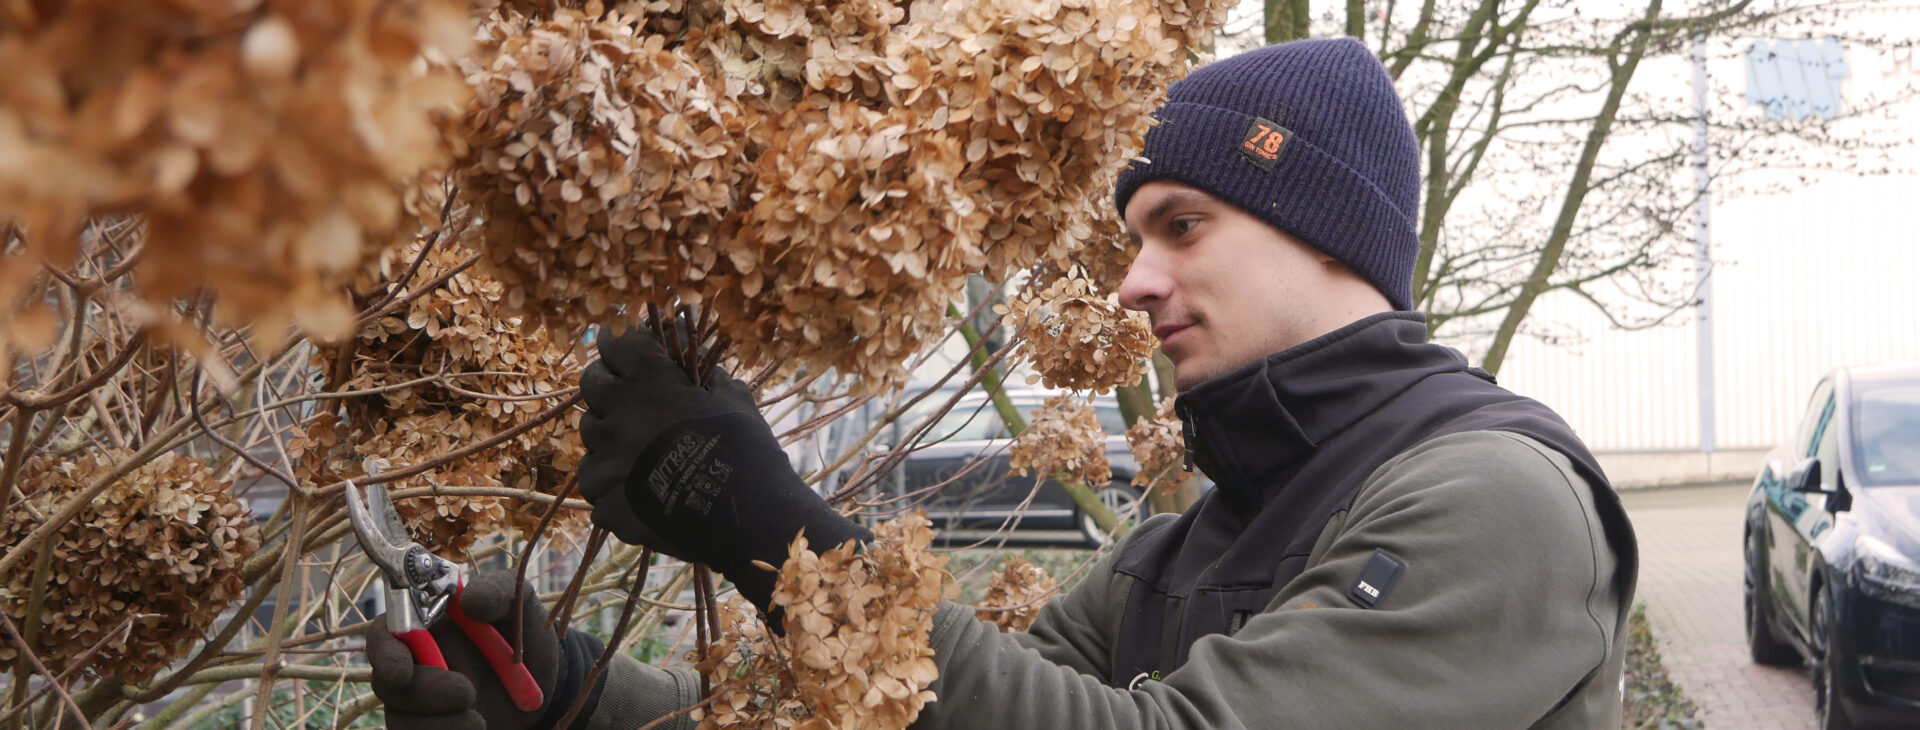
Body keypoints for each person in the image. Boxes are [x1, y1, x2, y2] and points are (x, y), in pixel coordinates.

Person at [366, 37, 1639, 730]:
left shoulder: (1497, 502)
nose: (1133, 282)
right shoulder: (1181, 548)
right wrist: (585, 697)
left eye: (1181, 227)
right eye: (1131, 236)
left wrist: (778, 533)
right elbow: (908, 713)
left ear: (1330, 237)